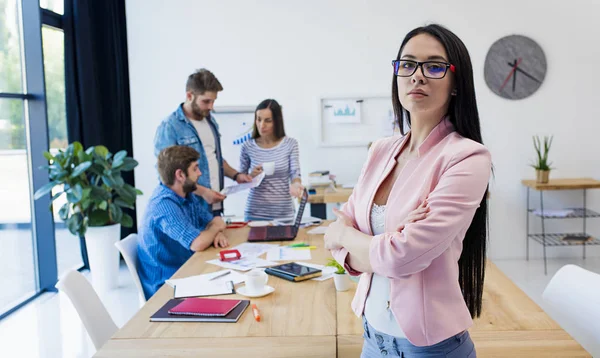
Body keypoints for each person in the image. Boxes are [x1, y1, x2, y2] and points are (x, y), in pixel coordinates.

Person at [324, 24, 491, 357]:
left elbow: (400, 258)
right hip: (372, 339)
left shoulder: (467, 157)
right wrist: (378, 243)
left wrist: (346, 234)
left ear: (456, 83)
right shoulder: (380, 150)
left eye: (434, 66)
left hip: (429, 348)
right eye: (407, 64)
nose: (417, 76)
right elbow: (336, 239)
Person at [154, 68, 252, 217]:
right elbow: (167, 176)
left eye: (213, 101)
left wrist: (236, 175)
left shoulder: (211, 122)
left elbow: (214, 159)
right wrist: (203, 192)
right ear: (189, 95)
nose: (211, 107)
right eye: (206, 101)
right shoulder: (170, 127)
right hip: (190, 208)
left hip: (215, 205)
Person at [137, 146, 230, 299]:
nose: (200, 173)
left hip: (187, 269)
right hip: (167, 286)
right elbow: (198, 243)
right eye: (195, 169)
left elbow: (213, 221)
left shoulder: (185, 194)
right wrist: (215, 229)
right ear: (180, 175)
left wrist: (216, 230)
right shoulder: (163, 204)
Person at [239, 99, 304, 221]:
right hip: (255, 213)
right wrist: (250, 176)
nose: (261, 125)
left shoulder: (290, 144)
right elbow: (240, 179)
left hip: (284, 213)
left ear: (277, 122)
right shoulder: (247, 146)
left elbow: (295, 173)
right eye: (258, 119)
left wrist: (296, 184)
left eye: (267, 121)